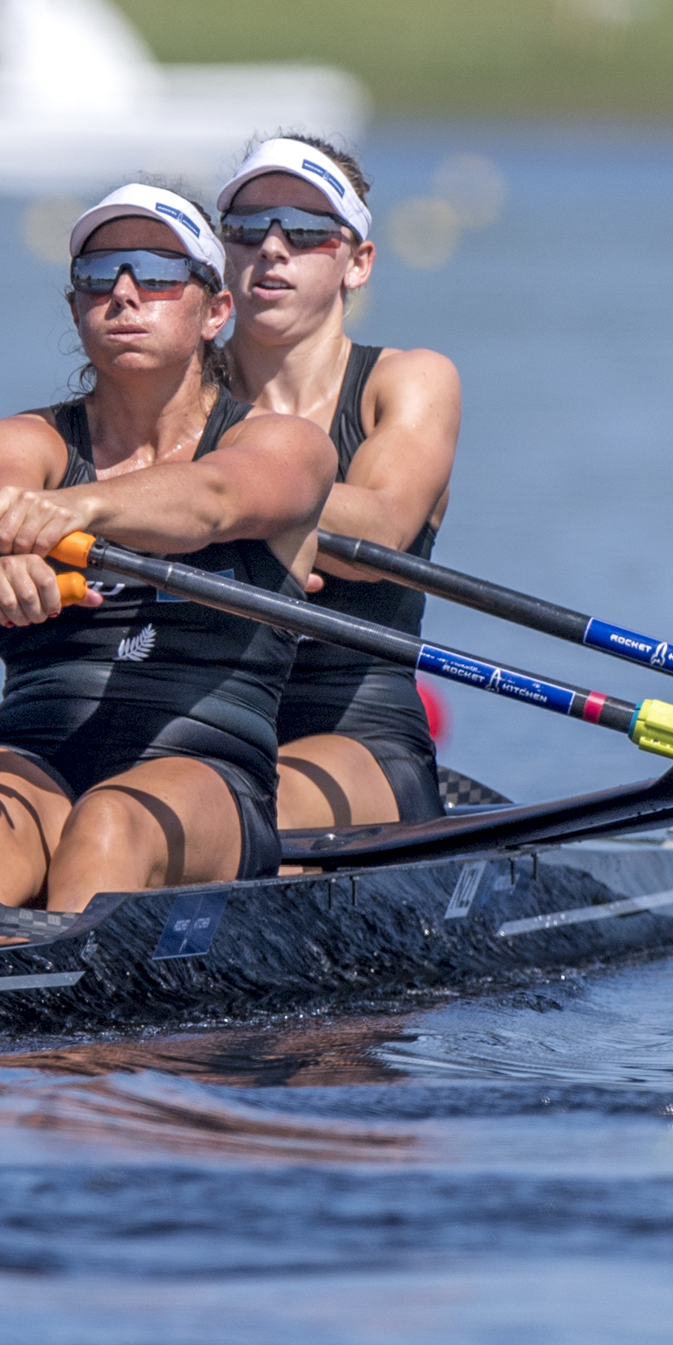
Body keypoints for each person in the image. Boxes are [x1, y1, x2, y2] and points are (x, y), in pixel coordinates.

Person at [0, 183, 338, 910]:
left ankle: (70, 1014)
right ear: (74, 306)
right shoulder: (21, 442)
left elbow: (212, 502)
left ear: (216, 312)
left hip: (205, 773)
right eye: (97, 277)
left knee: (109, 825)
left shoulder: (285, 445)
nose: (122, 294)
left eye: (155, 274)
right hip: (34, 752)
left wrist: (70, 511)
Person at [213, 133, 462, 829]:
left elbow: (381, 525)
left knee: (241, 809)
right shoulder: (175, 392)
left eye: (305, 231)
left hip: (360, 734)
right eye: (246, 228)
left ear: (358, 263)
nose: (271, 247)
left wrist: (199, 503)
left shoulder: (409, 382)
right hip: (195, 722)